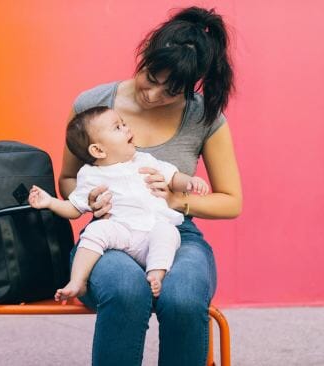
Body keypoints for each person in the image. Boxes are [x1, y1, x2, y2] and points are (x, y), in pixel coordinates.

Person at [59, 6, 242, 366]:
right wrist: (91, 199)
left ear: (191, 86)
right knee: (125, 290)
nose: (154, 95)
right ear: (144, 57)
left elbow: (232, 201)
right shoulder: (92, 105)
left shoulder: (204, 117)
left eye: (172, 90)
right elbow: (68, 179)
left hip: (174, 232)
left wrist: (178, 199)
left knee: (184, 297)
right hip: (110, 231)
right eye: (151, 77)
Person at [28, 106, 209, 299]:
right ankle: (77, 281)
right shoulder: (90, 175)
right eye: (117, 127)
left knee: (168, 232)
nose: (126, 128)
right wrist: (50, 202)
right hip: (121, 232)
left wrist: (189, 182)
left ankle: (156, 273)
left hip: (152, 230)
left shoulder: (144, 160)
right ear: (98, 150)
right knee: (95, 231)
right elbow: (74, 208)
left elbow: (172, 177)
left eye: (123, 123)